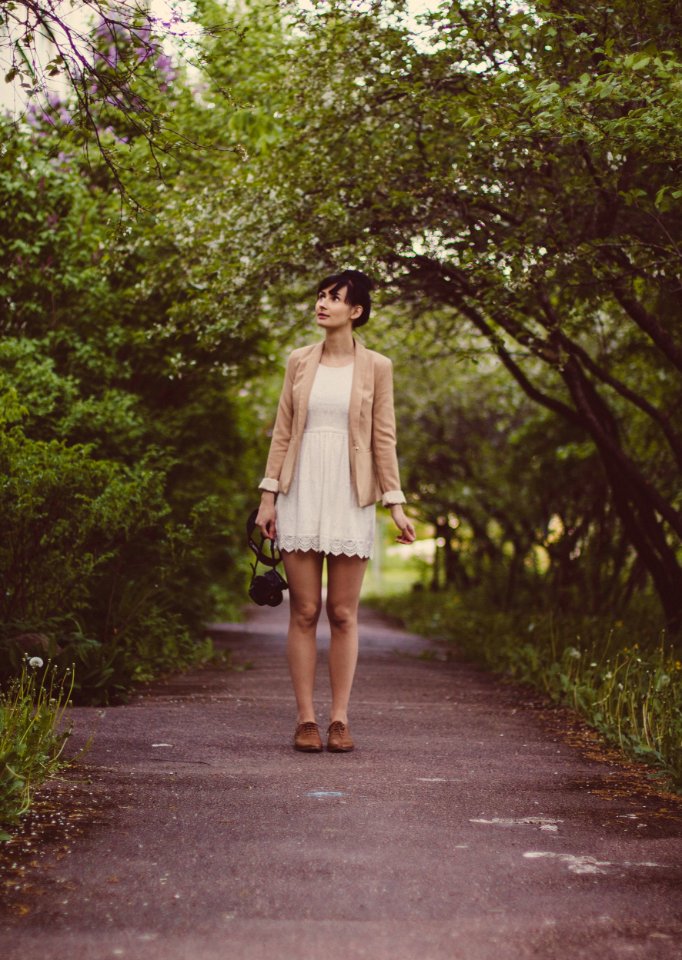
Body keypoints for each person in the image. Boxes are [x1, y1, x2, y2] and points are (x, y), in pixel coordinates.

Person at [255, 269, 416, 753]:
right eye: (321, 296)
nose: (323, 304)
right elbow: (283, 430)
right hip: (300, 490)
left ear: (357, 311)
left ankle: (339, 718)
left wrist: (396, 502)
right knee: (304, 610)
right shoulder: (299, 362)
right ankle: (306, 719)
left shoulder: (377, 367)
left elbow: (382, 437)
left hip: (350, 494)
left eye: (334, 298)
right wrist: (268, 496)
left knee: (343, 612)